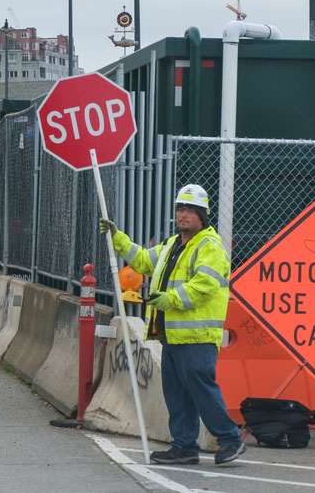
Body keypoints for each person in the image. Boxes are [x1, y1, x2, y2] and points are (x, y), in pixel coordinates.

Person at [99, 183, 246, 466]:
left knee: (202, 390)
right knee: (177, 395)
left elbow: (202, 286)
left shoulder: (210, 247)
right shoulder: (171, 245)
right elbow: (142, 261)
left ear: (203, 215)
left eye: (190, 210)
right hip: (173, 336)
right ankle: (184, 446)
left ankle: (230, 439)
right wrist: (118, 238)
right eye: (180, 208)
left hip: (197, 336)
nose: (183, 214)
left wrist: (170, 300)